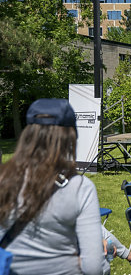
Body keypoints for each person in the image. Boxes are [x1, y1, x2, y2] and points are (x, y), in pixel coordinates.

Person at [0, 98, 104, 275]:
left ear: (28, 134)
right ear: (70, 137)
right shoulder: (80, 187)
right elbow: (93, 267)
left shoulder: (4, 178)